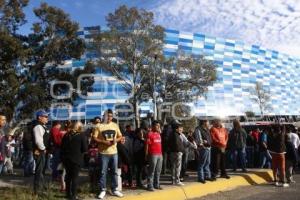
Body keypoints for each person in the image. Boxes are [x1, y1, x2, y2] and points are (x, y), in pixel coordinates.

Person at [93, 109, 123, 199]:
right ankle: (103, 190)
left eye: (110, 116)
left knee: (114, 172)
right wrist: (103, 141)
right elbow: (94, 137)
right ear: (104, 116)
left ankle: (114, 189)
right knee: (103, 172)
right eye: (107, 116)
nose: (109, 118)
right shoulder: (98, 126)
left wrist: (116, 140)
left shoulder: (115, 125)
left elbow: (120, 136)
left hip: (114, 152)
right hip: (103, 153)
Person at [61, 121, 88, 200]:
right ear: (80, 127)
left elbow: (62, 147)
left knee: (68, 177)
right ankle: (74, 195)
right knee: (75, 178)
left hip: (66, 159)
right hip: (76, 159)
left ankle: (68, 194)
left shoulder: (66, 135)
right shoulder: (81, 135)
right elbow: (85, 149)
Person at [33, 110, 50, 195]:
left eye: (47, 116)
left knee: (41, 170)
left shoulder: (43, 126)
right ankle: (37, 191)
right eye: (45, 116)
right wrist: (43, 149)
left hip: (42, 151)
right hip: (39, 152)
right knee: (39, 171)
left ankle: (41, 188)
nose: (47, 118)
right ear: (39, 117)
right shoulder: (38, 127)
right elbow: (38, 141)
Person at [145, 120, 163, 191]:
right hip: (153, 154)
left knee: (158, 170)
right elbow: (146, 145)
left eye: (159, 126)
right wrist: (146, 154)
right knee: (151, 170)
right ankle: (150, 185)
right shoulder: (149, 134)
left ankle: (157, 184)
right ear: (153, 126)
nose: (158, 127)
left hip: (160, 154)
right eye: (157, 125)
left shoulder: (158, 134)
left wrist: (159, 131)